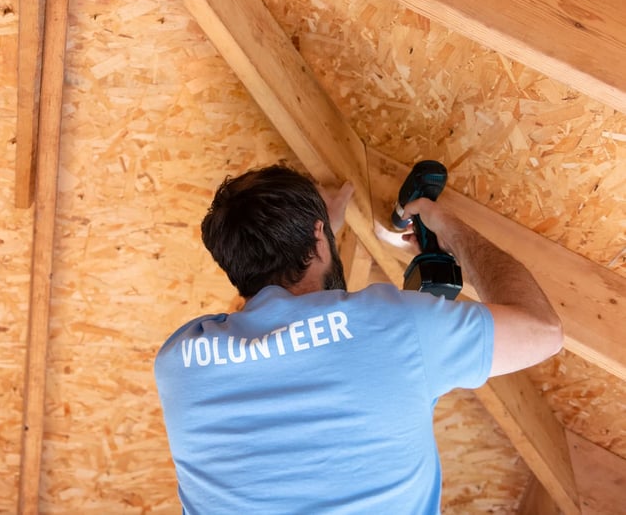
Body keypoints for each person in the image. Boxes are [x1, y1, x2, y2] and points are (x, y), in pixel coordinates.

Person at [154, 164, 563, 514]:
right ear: (319, 236)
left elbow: (268, 321)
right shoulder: (397, 324)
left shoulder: (179, 363)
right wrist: (449, 229)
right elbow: (541, 331)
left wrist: (312, 246)